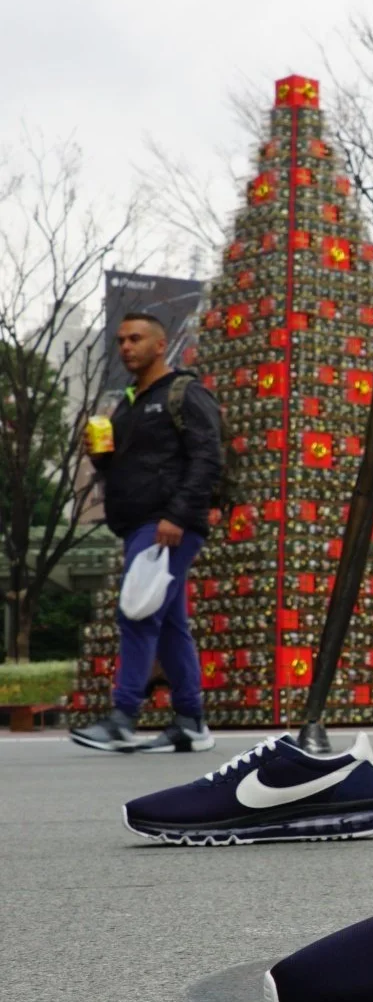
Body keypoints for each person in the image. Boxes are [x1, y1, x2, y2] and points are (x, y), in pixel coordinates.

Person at [71, 313, 222, 754]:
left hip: (165, 525)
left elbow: (207, 458)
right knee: (170, 622)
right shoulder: (129, 404)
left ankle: (123, 717)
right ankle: (191, 721)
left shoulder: (185, 393)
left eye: (135, 339)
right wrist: (101, 458)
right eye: (120, 340)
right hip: (141, 523)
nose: (125, 347)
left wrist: (176, 515)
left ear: (161, 345)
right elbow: (130, 468)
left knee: (136, 612)